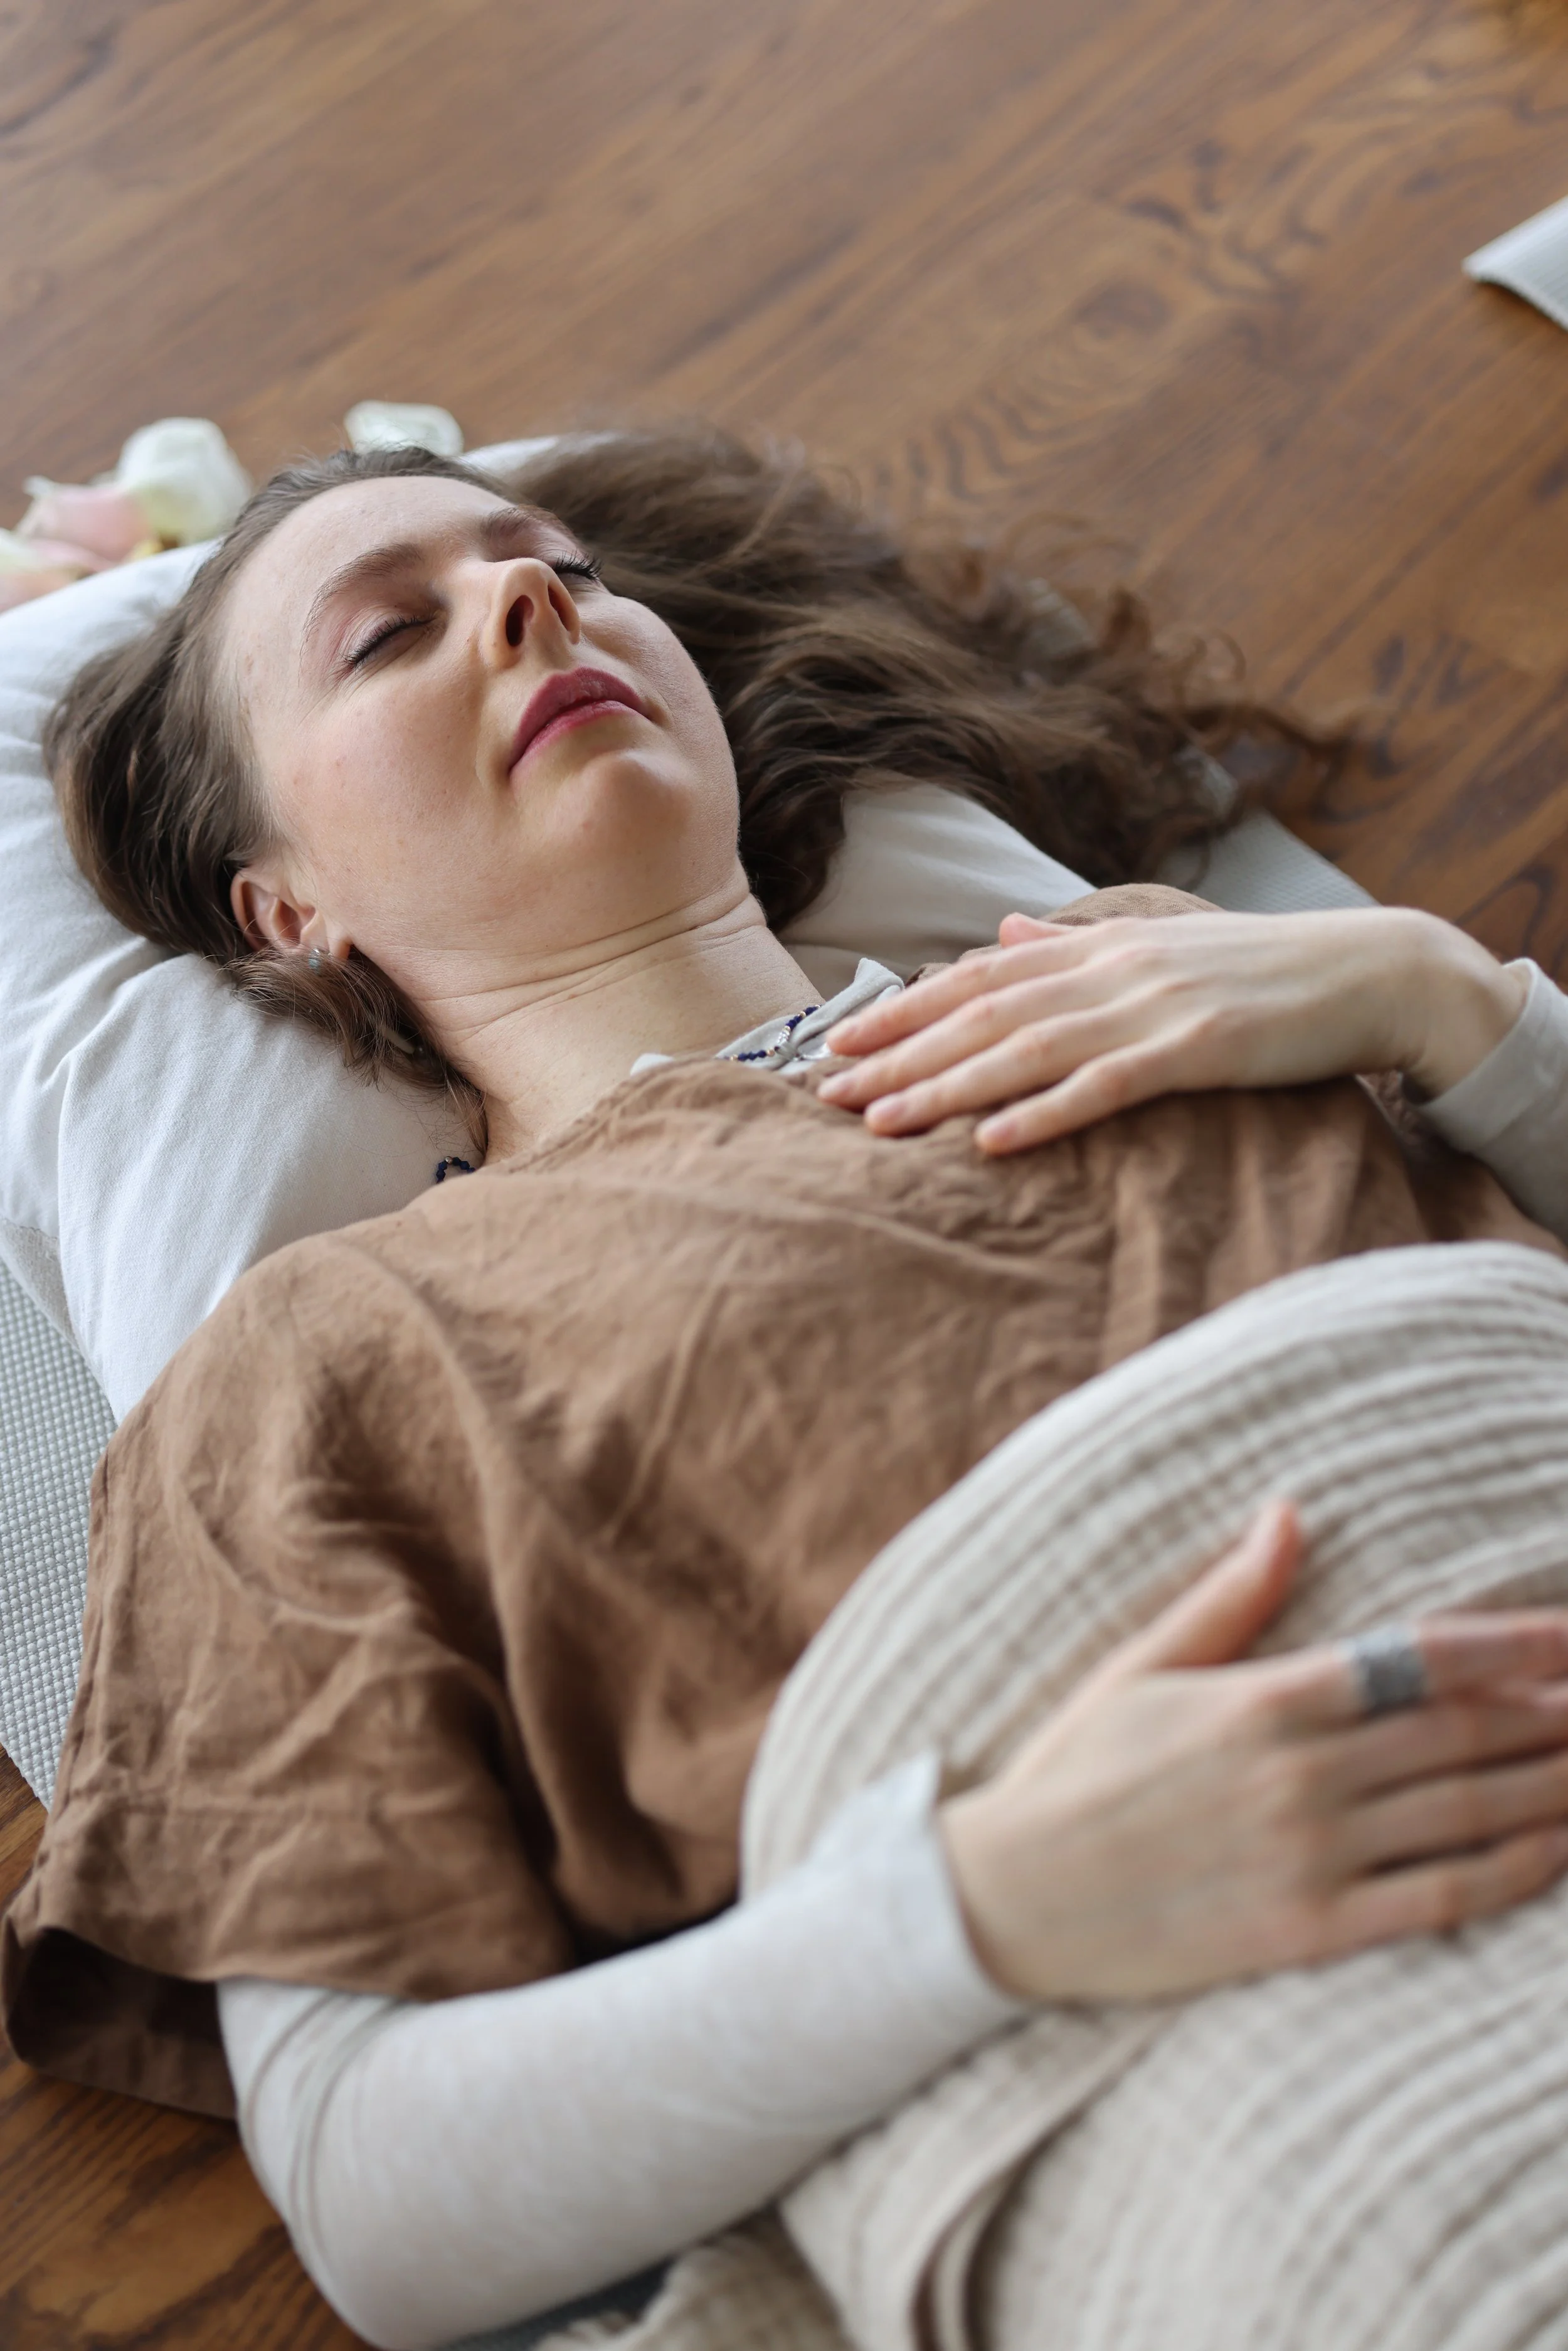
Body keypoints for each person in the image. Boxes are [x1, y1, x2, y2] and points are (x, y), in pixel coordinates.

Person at [8, 431, 1568, 2351]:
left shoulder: (1162, 972)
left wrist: (1451, 1003)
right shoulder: (316, 1357)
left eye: (563, 563)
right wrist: (979, 1904)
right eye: (386, 635)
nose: (533, 597)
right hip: (1330, 2090)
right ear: (282, 908)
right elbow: (371, 2187)